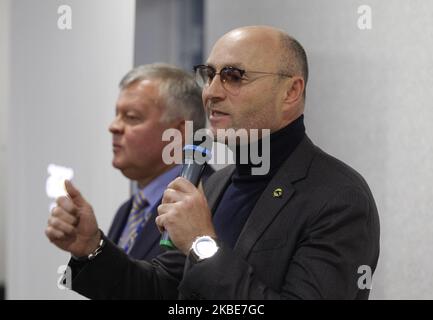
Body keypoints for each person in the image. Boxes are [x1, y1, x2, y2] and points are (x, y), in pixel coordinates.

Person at [46, 26, 380, 299]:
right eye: (209, 75)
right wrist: (92, 248)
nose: (211, 92)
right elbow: (163, 290)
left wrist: (202, 244)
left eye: (234, 76)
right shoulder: (215, 185)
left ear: (291, 92)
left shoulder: (337, 196)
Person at [93, 63, 209, 260]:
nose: (114, 127)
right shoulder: (128, 209)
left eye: (131, 117)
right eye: (117, 115)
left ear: (178, 132)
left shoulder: (207, 199)